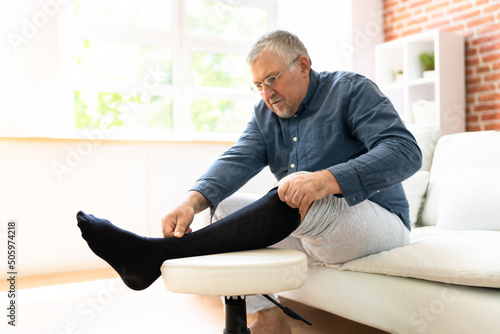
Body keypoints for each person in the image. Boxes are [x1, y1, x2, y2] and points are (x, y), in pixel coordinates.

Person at [77, 30, 422, 333]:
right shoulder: (264, 115)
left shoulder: (349, 91)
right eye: (258, 85)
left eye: (272, 79)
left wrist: (326, 180)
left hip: (377, 222)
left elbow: (406, 151)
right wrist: (190, 202)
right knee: (224, 207)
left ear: (303, 65)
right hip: (310, 231)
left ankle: (152, 254)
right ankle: (270, 320)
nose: (266, 93)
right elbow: (236, 160)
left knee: (299, 196)